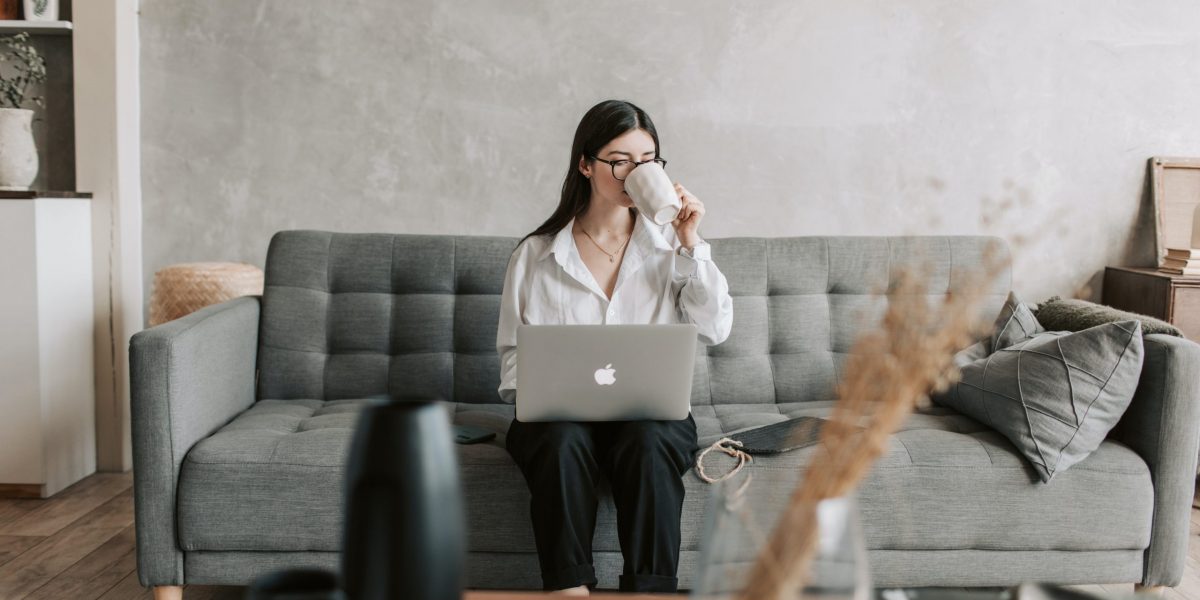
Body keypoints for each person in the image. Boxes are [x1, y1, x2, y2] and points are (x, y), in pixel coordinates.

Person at [495, 99, 734, 595]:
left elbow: (715, 329)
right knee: (560, 441)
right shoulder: (536, 255)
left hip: (648, 415)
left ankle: (650, 591)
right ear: (586, 164)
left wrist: (692, 242)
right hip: (559, 421)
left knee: (649, 442)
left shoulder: (671, 247)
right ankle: (568, 589)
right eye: (619, 160)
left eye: (648, 160)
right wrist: (541, 392)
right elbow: (514, 360)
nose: (635, 173)